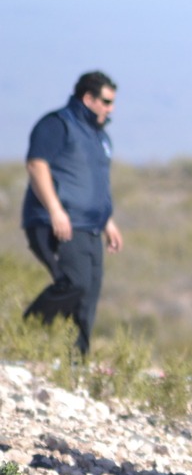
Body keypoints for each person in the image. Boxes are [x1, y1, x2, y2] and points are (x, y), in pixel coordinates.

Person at [21, 71, 124, 355]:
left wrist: (108, 222)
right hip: (59, 222)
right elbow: (36, 166)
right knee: (74, 283)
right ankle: (20, 336)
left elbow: (96, 183)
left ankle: (76, 366)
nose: (110, 108)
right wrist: (55, 210)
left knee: (87, 296)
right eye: (105, 101)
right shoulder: (57, 124)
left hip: (90, 226)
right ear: (87, 98)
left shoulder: (99, 137)